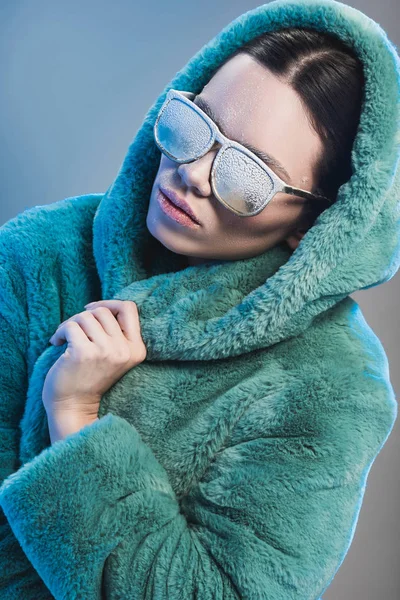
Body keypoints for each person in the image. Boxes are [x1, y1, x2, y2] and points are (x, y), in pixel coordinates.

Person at [0, 1, 398, 598]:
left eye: (247, 175)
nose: (192, 172)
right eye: (195, 125)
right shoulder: (39, 254)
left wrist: (76, 419)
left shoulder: (334, 385)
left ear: (315, 224)